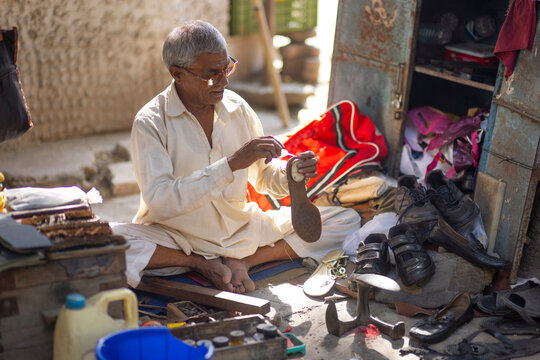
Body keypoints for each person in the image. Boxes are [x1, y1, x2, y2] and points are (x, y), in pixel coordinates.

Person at [113, 20, 361, 294]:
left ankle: (242, 262)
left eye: (227, 68)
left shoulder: (236, 107)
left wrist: (292, 172)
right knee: (110, 241)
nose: (224, 80)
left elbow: (265, 179)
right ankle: (198, 264)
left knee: (345, 220)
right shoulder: (151, 123)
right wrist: (231, 165)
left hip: (240, 232)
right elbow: (161, 202)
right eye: (212, 74)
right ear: (177, 74)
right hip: (178, 237)